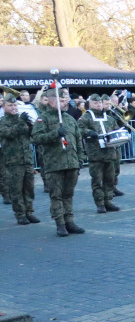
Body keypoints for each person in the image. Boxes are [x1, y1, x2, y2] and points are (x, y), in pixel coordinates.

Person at [32, 87, 85, 236]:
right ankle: (60, 223)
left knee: (68, 194)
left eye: (65, 100)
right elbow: (36, 138)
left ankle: (70, 221)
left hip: (71, 162)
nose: (65, 102)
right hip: (54, 163)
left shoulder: (68, 118)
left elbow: (78, 140)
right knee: (57, 195)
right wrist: (55, 134)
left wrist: (80, 159)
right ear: (51, 101)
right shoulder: (44, 118)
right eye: (61, 100)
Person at [78, 94, 123, 213]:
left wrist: (121, 127)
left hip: (109, 152)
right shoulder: (86, 117)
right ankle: (100, 203)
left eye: (99, 103)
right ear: (90, 104)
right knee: (97, 180)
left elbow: (116, 129)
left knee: (109, 179)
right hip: (95, 154)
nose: (98, 105)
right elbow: (79, 130)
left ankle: (108, 201)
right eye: (95, 103)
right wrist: (89, 132)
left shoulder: (109, 117)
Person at [0, 92, 40, 225]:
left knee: (29, 188)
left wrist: (31, 126)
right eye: (10, 105)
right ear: (4, 107)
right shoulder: (3, 122)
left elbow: (32, 136)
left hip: (27, 159)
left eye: (15, 105)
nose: (14, 108)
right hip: (13, 161)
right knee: (16, 189)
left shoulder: (22, 120)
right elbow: (9, 134)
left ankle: (29, 211)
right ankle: (20, 214)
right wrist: (21, 123)